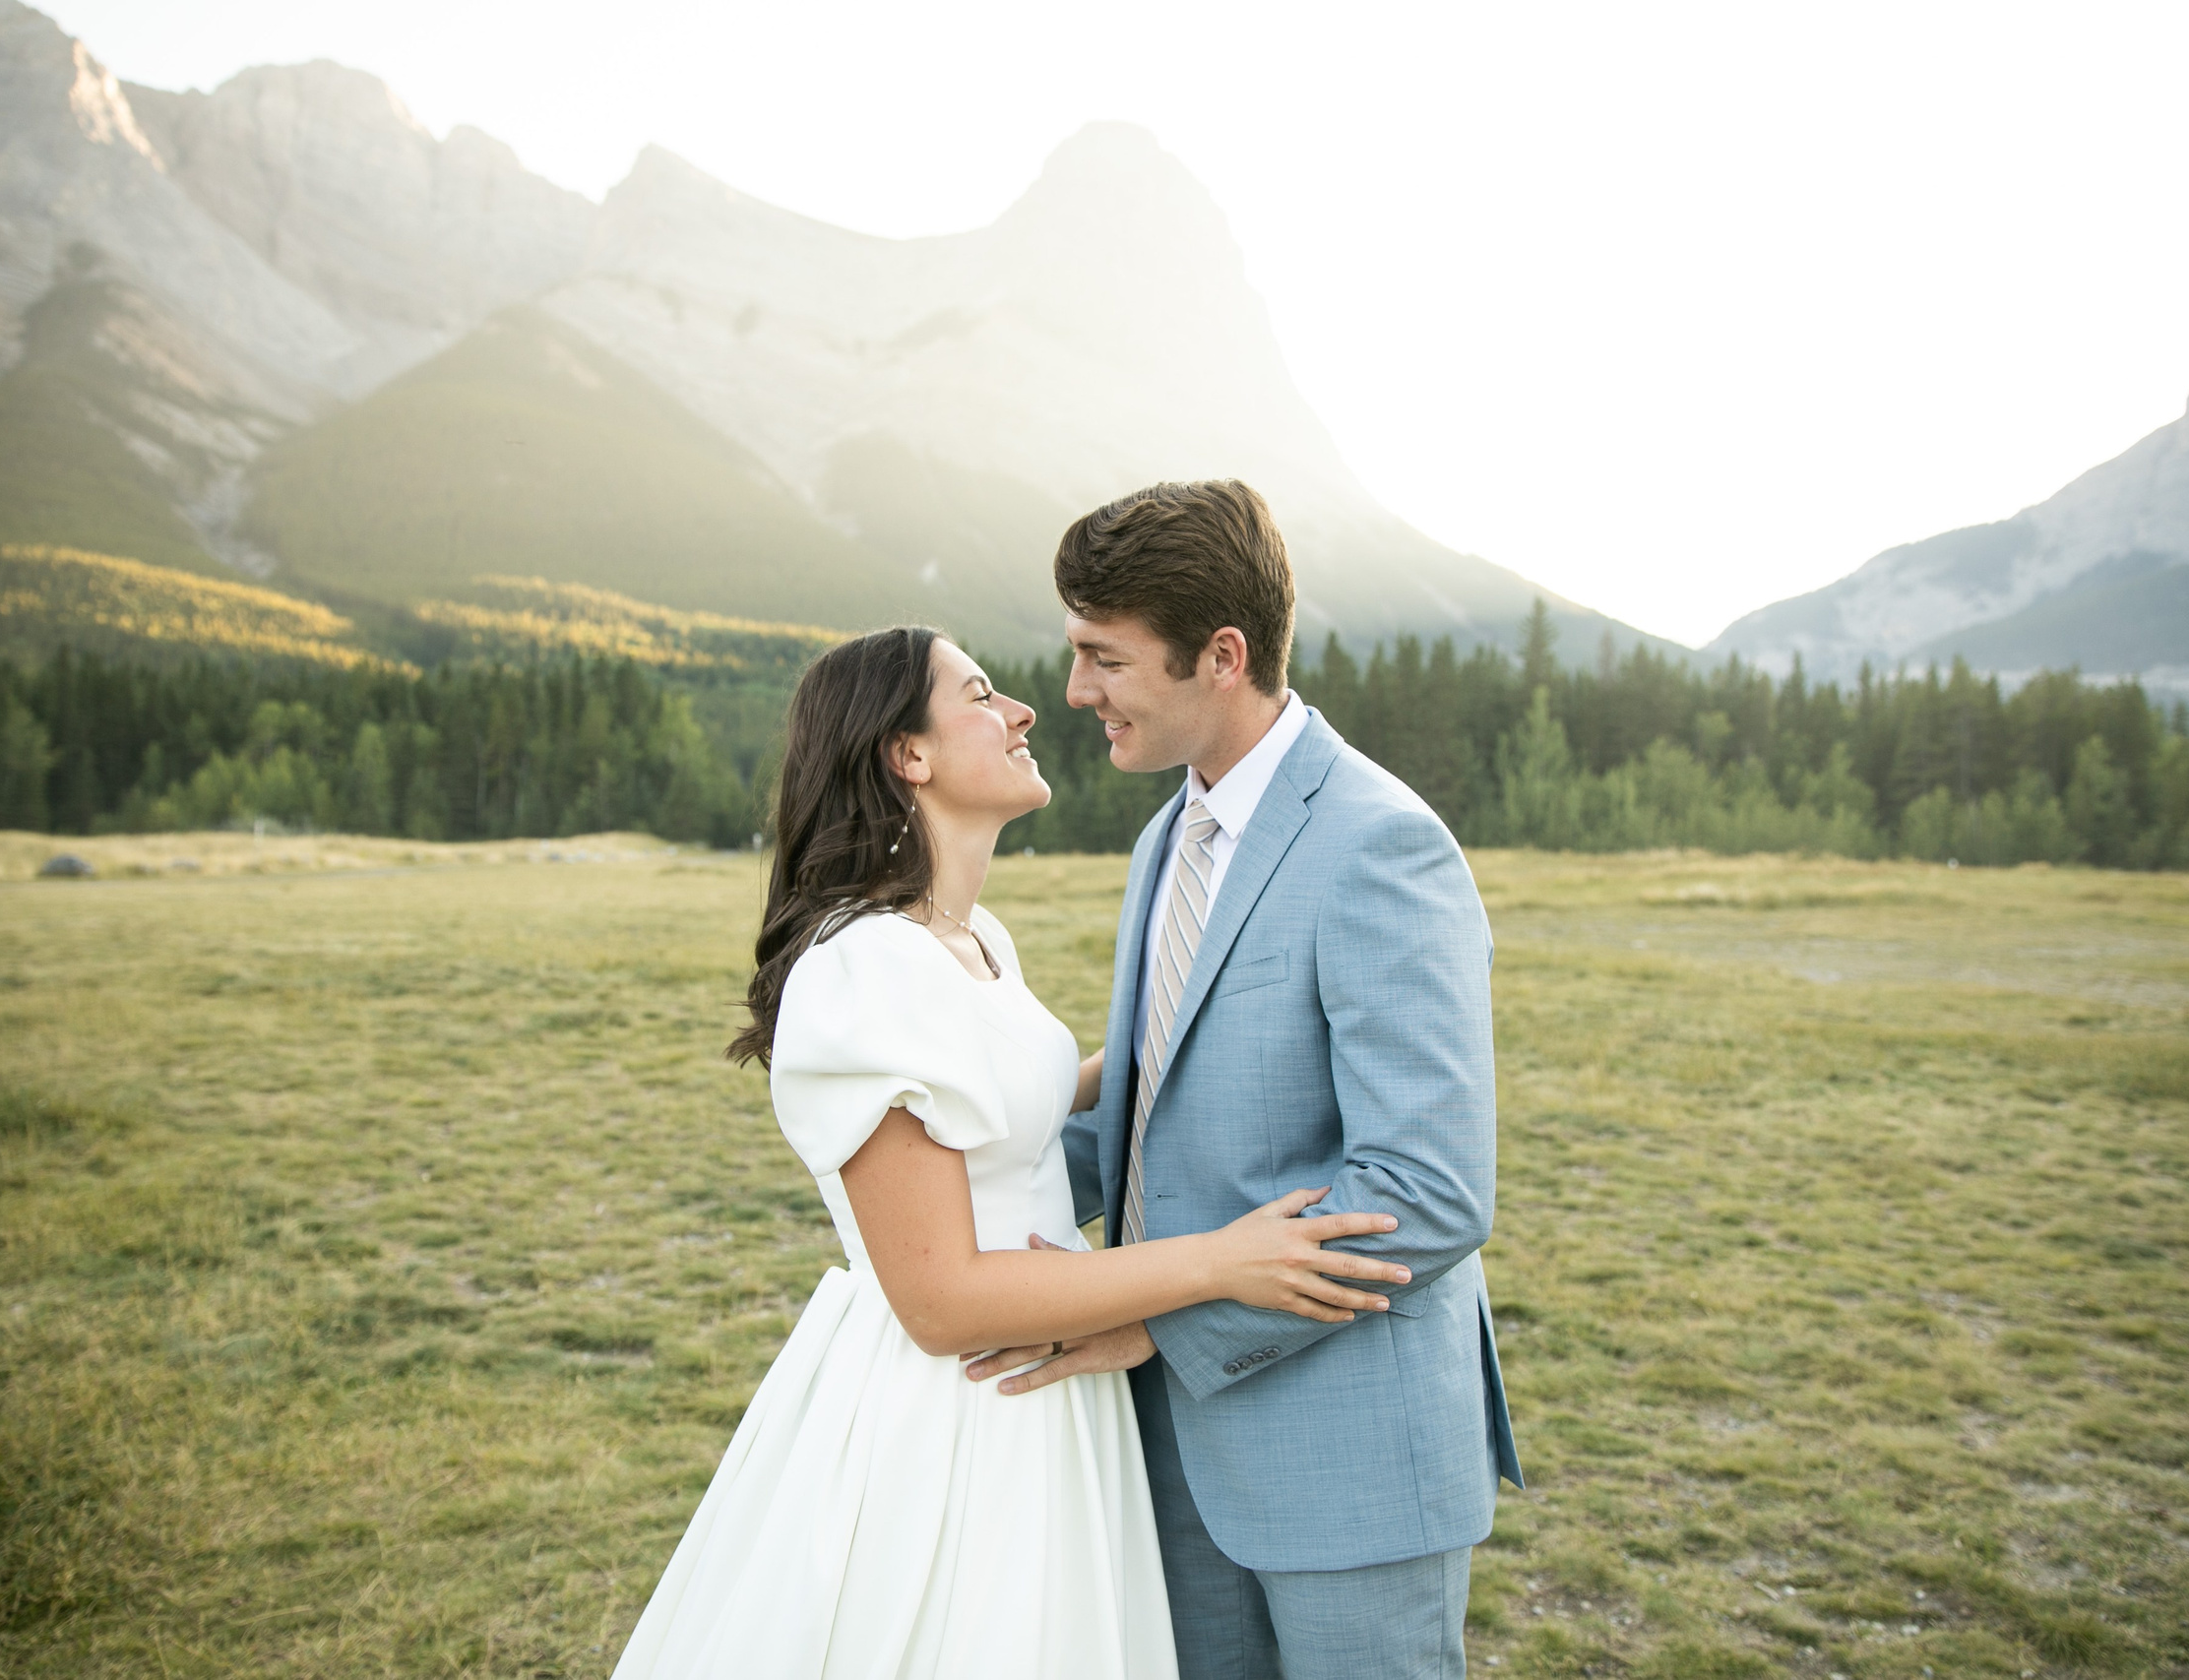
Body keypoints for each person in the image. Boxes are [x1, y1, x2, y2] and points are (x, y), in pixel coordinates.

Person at [608, 625, 1412, 1680]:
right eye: (981, 694)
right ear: (909, 756)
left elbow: (1015, 1107)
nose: (1025, 709)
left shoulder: (976, 941)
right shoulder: (865, 969)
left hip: (1052, 1386)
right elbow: (942, 1302)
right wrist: (1220, 1263)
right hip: (958, 1411)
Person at [964, 480, 1524, 1680]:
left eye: (1102, 658)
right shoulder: (1169, 835)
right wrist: (940, 1184)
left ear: (1220, 655)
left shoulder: (1380, 843)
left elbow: (1424, 1188)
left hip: (1350, 1461)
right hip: (1171, 1459)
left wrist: (1155, 1318)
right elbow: (1155, 1119)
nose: (1072, 693)